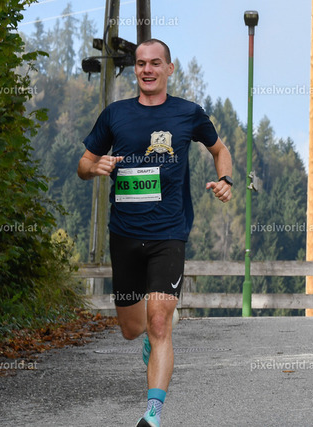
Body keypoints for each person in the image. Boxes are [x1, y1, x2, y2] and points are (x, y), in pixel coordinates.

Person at [77, 38, 233, 426]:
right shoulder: (115, 115)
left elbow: (219, 150)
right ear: (136, 70)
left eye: (155, 63)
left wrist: (225, 179)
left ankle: (153, 413)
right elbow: (83, 164)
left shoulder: (188, 113)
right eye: (141, 64)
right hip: (125, 233)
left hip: (169, 233)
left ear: (169, 69)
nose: (147, 69)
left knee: (160, 321)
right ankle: (146, 334)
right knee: (133, 329)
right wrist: (94, 168)